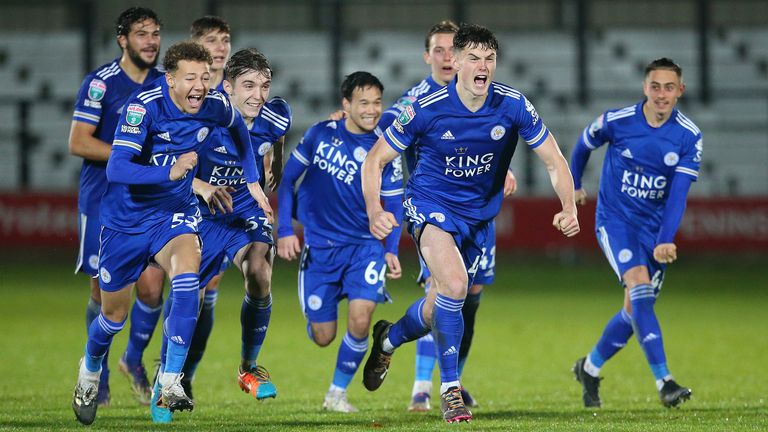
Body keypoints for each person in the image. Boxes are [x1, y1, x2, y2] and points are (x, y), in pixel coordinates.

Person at [360, 23, 579, 423]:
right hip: (430, 206)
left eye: (490, 58)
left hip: (479, 218)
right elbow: (375, 159)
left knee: (439, 303)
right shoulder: (426, 107)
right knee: (456, 286)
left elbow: (553, 159)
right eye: (474, 58)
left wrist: (569, 205)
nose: (483, 66)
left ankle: (388, 338)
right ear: (455, 61)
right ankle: (450, 392)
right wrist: (376, 210)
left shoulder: (512, 104)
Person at [71, 41, 270, 425]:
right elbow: (117, 169)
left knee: (186, 279)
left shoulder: (214, 105)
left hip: (173, 215)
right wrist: (171, 171)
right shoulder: (142, 108)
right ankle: (91, 370)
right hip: (126, 223)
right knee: (112, 318)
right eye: (191, 78)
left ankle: (170, 380)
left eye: (206, 77)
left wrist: (251, 178)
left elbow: (239, 133)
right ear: (171, 78)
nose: (200, 85)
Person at [381, 19, 518, 412]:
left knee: (468, 297)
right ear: (430, 56)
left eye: (450, 49)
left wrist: (497, 166)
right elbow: (382, 136)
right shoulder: (414, 101)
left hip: (477, 213)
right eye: (438, 50)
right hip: (434, 208)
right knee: (445, 290)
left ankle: (440, 365)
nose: (445, 57)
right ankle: (427, 388)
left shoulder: (487, 99)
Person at [150, 48, 289, 424]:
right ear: (226, 87)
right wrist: (204, 186)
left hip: (244, 208)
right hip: (199, 213)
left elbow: (276, 135)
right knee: (186, 297)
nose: (258, 95)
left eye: (264, 86)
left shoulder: (275, 114)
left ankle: (248, 367)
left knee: (259, 270)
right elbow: (167, 163)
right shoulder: (201, 119)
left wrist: (273, 161)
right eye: (248, 86)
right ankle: (166, 379)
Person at [570, 57, 700, 409]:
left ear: (680, 91)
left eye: (669, 87)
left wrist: (664, 239)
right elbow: (582, 144)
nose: (661, 94)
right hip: (615, 222)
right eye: (655, 86)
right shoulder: (618, 121)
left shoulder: (688, 136)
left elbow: (677, 195)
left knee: (634, 310)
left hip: (653, 231)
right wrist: (575, 185)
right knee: (639, 287)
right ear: (645, 87)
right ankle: (665, 381)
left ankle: (590, 368)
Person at [277, 72, 404, 413]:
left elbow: (393, 206)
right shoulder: (319, 134)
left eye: (377, 102)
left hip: (366, 247)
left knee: (361, 319)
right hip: (320, 248)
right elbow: (288, 179)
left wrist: (391, 249)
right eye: (363, 102)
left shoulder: (386, 149)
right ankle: (320, 319)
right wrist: (285, 229)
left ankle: (336, 394)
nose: (372, 109)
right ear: (346, 105)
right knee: (323, 337)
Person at [68, 6, 165, 407]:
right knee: (103, 291)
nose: (151, 41)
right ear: (122, 40)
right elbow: (78, 141)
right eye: (142, 34)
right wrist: (127, 155)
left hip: (150, 200)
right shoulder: (101, 84)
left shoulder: (166, 83)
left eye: (156, 33)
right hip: (104, 199)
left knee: (152, 285)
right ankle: (99, 375)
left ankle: (134, 360)